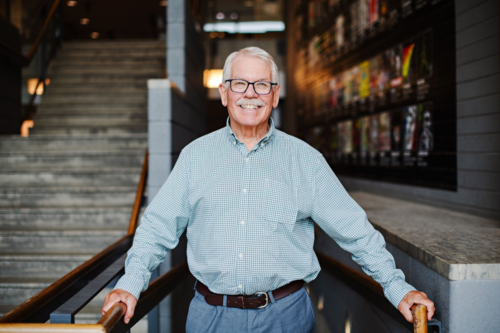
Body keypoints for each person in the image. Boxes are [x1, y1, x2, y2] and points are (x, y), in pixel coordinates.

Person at [101, 47, 435, 332]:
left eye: (262, 84)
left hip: (286, 316)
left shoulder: (305, 160)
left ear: (275, 95)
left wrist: (397, 288)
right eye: (239, 84)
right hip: (210, 317)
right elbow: (157, 228)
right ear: (223, 92)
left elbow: (355, 231)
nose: (250, 93)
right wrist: (130, 284)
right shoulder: (195, 157)